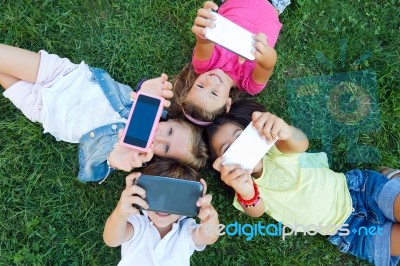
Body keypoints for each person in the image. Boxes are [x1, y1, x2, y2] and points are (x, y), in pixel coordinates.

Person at [205, 98, 400, 266]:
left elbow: (300, 143)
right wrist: (247, 192)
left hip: (358, 189)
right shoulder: (245, 189)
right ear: (222, 164)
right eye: (227, 149)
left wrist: (286, 131)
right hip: (347, 231)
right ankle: (392, 178)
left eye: (240, 138)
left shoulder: (274, 151)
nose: (239, 148)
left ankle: (389, 178)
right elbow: (256, 211)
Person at [0, 44, 209, 183]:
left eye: (165, 147)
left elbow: (91, 171)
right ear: (171, 120)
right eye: (170, 131)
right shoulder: (148, 108)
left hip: (44, 110)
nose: (159, 135)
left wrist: (113, 158)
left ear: (161, 159)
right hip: (63, 76)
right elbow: (138, 94)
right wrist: (146, 89)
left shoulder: (127, 151)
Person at [169, 0, 283, 124]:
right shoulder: (249, 84)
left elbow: (204, 40)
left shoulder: (203, 65)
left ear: (191, 84)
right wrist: (263, 54)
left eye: (200, 86)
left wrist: (205, 25)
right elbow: (269, 64)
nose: (210, 81)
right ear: (228, 103)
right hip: (273, 4)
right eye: (214, 93)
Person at [103, 158, 220, 266]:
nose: (162, 204)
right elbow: (112, 240)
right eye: (156, 194)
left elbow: (208, 237)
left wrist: (210, 218)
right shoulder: (137, 223)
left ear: (188, 202)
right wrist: (120, 214)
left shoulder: (186, 230)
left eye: (174, 198)